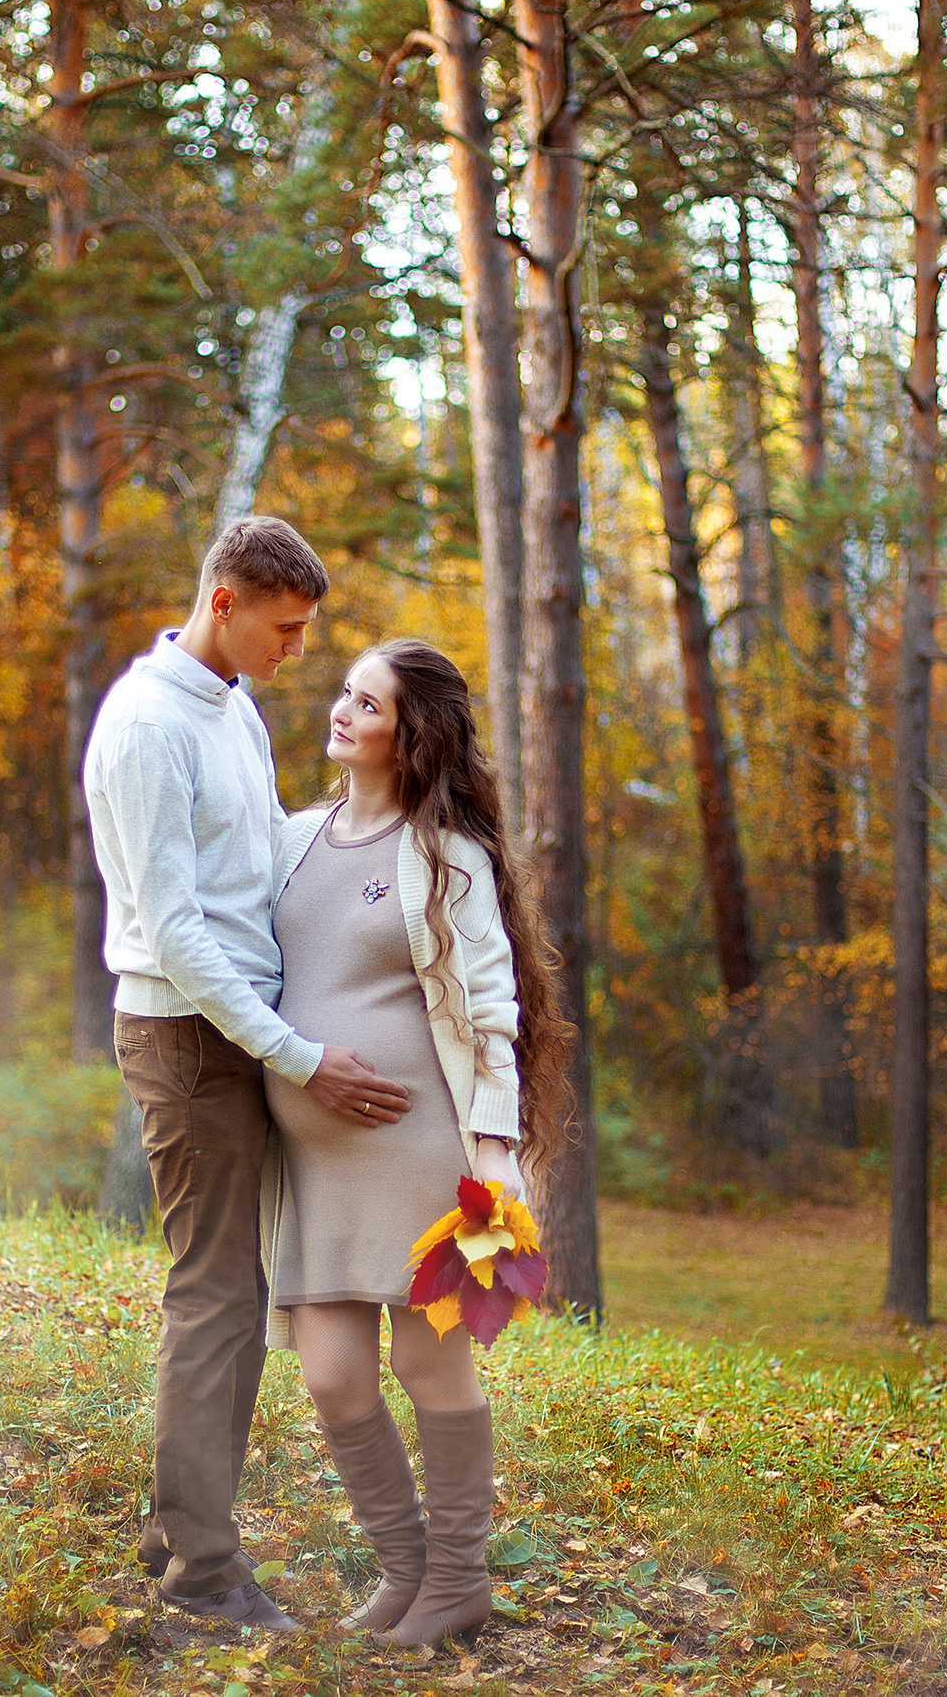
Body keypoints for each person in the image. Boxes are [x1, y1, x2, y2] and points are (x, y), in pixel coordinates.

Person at [84, 517, 414, 1631]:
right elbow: (176, 932)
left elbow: (262, 849)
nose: (297, 651)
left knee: (231, 1295)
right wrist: (297, 1054)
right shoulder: (144, 728)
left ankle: (183, 1531)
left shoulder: (231, 706)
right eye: (285, 628)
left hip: (239, 1031)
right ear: (224, 602)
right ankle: (205, 1579)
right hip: (189, 1037)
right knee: (216, 1299)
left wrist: (379, 821)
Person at [260, 638, 570, 1646]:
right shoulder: (291, 840)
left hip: (421, 1151)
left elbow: (490, 1008)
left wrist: (492, 1148)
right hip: (311, 1165)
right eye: (344, 694)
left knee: (430, 1369)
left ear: (411, 735)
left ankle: (457, 1583)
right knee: (331, 1375)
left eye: (368, 703)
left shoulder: (446, 857)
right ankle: (407, 1573)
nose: (342, 712)